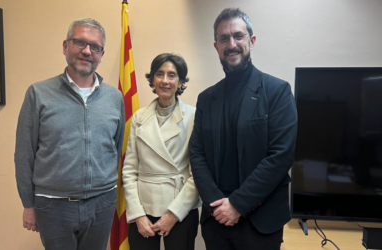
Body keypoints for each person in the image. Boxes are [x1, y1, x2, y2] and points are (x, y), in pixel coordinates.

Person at [189, 8, 298, 250]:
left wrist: (237, 204)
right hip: (216, 219)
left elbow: (280, 156)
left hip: (261, 221)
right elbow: (196, 154)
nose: (232, 44)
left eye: (238, 36)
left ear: (252, 40)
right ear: (216, 46)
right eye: (224, 38)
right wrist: (217, 203)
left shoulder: (277, 92)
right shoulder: (206, 99)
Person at [14, 18, 125, 250]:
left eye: (94, 47)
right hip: (53, 206)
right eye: (79, 43)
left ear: (101, 54)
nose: (87, 51)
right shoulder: (38, 93)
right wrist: (28, 204)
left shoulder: (114, 98)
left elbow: (115, 148)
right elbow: (24, 154)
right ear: (65, 47)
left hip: (101, 203)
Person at [122, 53, 201, 250]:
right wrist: (137, 214)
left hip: (180, 206)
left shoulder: (194, 116)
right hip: (144, 209)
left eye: (172, 75)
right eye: (159, 74)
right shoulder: (139, 118)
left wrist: (173, 214)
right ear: (152, 79)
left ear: (181, 81)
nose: (165, 80)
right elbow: (130, 170)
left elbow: (198, 172)